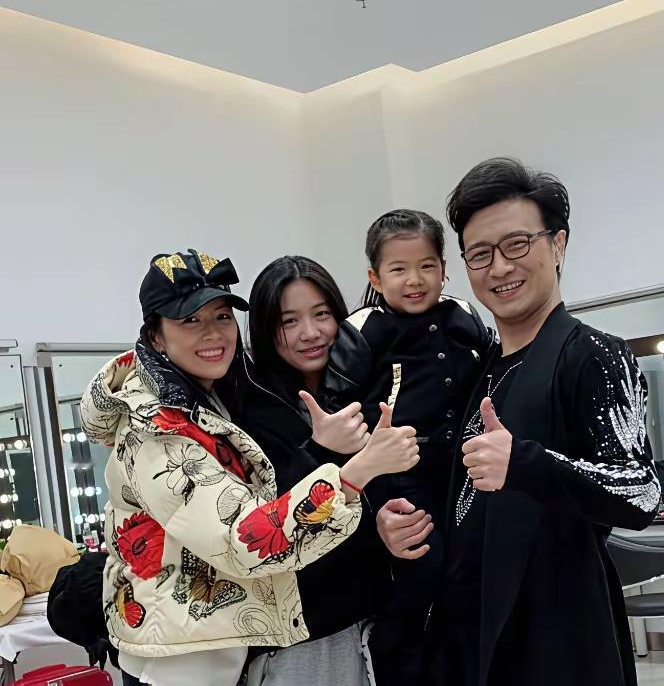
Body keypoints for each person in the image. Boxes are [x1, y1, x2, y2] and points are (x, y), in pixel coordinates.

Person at [375, 159, 661, 686]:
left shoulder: (594, 355)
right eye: (480, 254)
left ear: (558, 245)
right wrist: (395, 524)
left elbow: (640, 493)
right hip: (471, 634)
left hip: (553, 638)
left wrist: (527, 463)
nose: (500, 267)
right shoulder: (479, 367)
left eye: (517, 244)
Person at [80, 249, 419, 686]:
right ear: (156, 337)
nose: (213, 333)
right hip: (193, 658)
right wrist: (347, 467)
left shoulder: (214, 397)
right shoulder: (158, 429)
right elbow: (242, 538)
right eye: (190, 320)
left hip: (250, 638)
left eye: (222, 316)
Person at [324, 210, 493, 685]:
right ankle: (392, 654)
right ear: (375, 278)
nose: (414, 280)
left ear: (444, 269)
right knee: (424, 562)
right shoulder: (362, 328)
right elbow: (340, 404)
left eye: (426, 266)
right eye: (398, 269)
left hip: (463, 471)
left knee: (467, 569)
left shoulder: (463, 314)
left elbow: (491, 367)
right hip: (399, 471)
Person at [241, 255, 390, 685]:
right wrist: (321, 450)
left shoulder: (365, 388)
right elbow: (261, 527)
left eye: (322, 314)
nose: (310, 333)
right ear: (266, 328)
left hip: (377, 615)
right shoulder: (248, 410)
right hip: (305, 634)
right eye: (289, 321)